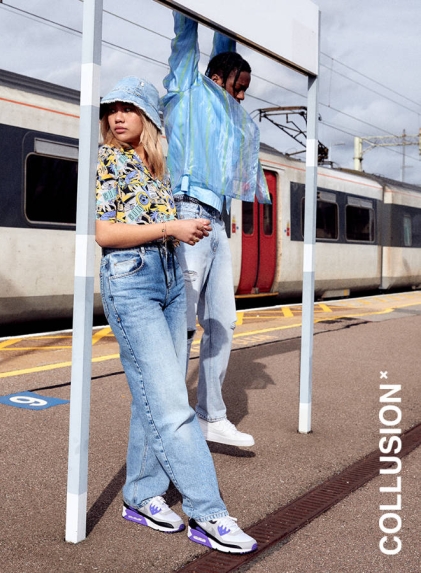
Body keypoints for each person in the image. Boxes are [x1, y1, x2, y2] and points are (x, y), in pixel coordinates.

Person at [96, 75, 257, 554]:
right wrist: (172, 225)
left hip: (169, 281)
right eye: (112, 108)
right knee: (172, 407)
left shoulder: (158, 168)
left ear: (148, 116)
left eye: (128, 107)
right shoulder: (109, 160)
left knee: (151, 396)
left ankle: (141, 495)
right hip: (132, 283)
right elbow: (105, 233)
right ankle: (209, 514)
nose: (117, 116)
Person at [162, 13, 271, 448]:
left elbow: (222, 33)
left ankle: (210, 415)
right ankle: (170, 416)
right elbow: (186, 36)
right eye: (238, 86)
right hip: (189, 212)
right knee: (183, 324)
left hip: (220, 224)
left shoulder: (229, 117)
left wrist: (226, 18)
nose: (242, 96)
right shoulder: (189, 89)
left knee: (222, 322)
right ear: (216, 76)